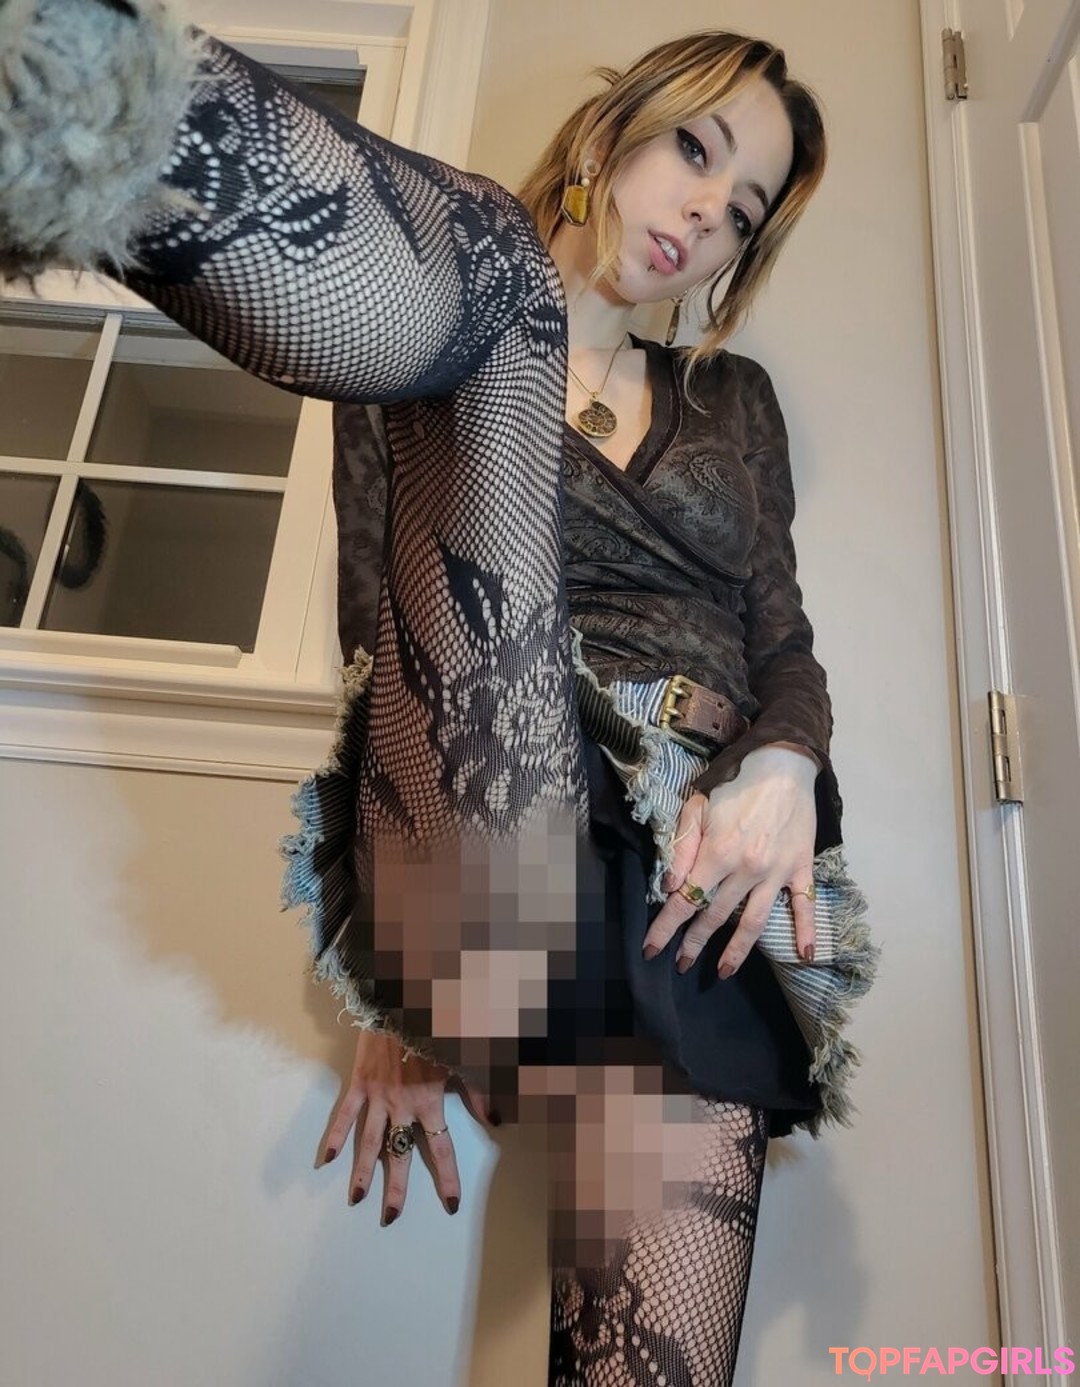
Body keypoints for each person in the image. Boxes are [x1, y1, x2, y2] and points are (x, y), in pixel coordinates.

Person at [1, 5, 872, 1384]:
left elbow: (786, 645)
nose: (708, 210)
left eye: (745, 209)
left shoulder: (735, 404)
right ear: (612, 132)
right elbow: (384, 634)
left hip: (693, 891)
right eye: (696, 150)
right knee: (508, 286)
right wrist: (392, 995)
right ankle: (61, 83)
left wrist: (786, 768)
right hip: (496, 800)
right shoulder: (438, 333)